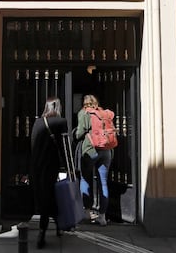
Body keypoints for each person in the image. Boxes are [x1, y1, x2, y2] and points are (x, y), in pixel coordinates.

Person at [30, 97, 67, 249]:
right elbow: (65, 146)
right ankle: (42, 232)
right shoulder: (60, 122)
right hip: (51, 167)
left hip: (37, 167)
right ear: (58, 107)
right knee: (50, 198)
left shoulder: (38, 122)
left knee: (46, 197)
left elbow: (32, 145)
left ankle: (56, 226)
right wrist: (68, 166)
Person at [75, 94, 113, 226]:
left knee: (85, 179)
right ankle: (102, 216)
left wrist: (75, 134)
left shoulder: (84, 113)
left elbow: (80, 132)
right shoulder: (103, 113)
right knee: (103, 183)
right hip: (106, 151)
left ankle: (86, 212)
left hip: (90, 151)